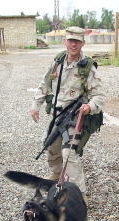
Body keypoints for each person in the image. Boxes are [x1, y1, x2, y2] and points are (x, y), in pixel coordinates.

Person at [30, 26, 105, 202]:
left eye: (77, 41)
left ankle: (80, 196)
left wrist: (89, 107)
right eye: (70, 40)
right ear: (65, 42)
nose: (73, 44)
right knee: (51, 147)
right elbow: (45, 83)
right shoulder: (58, 62)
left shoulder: (87, 67)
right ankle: (57, 176)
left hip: (75, 116)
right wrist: (36, 105)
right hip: (57, 115)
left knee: (69, 154)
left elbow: (99, 97)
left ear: (82, 43)